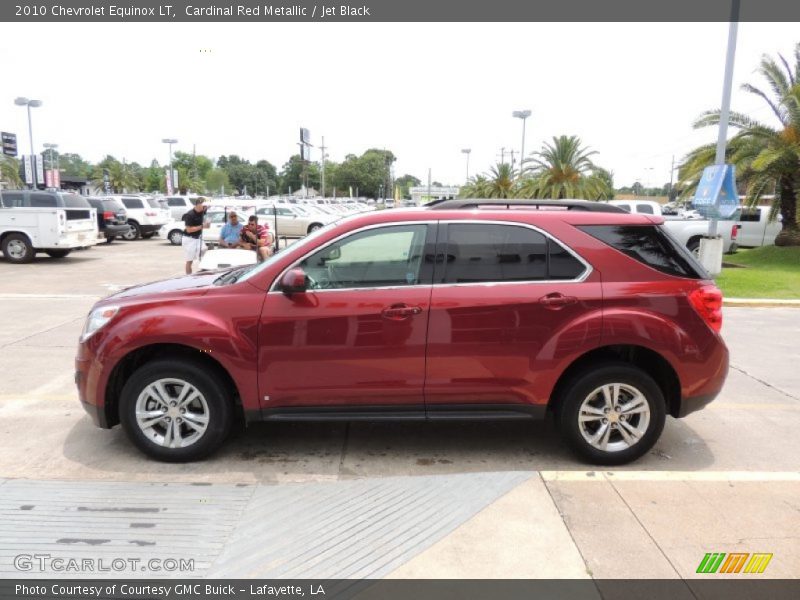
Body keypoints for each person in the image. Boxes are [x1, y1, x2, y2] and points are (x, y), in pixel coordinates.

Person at [181, 197, 210, 274]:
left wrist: (207, 223)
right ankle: (188, 277)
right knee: (189, 260)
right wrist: (201, 226)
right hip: (189, 238)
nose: (205, 207)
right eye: (204, 205)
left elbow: (205, 224)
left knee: (204, 252)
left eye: (206, 206)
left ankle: (203, 271)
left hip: (198, 238)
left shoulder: (204, 212)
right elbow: (189, 230)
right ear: (198, 204)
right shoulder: (190, 214)